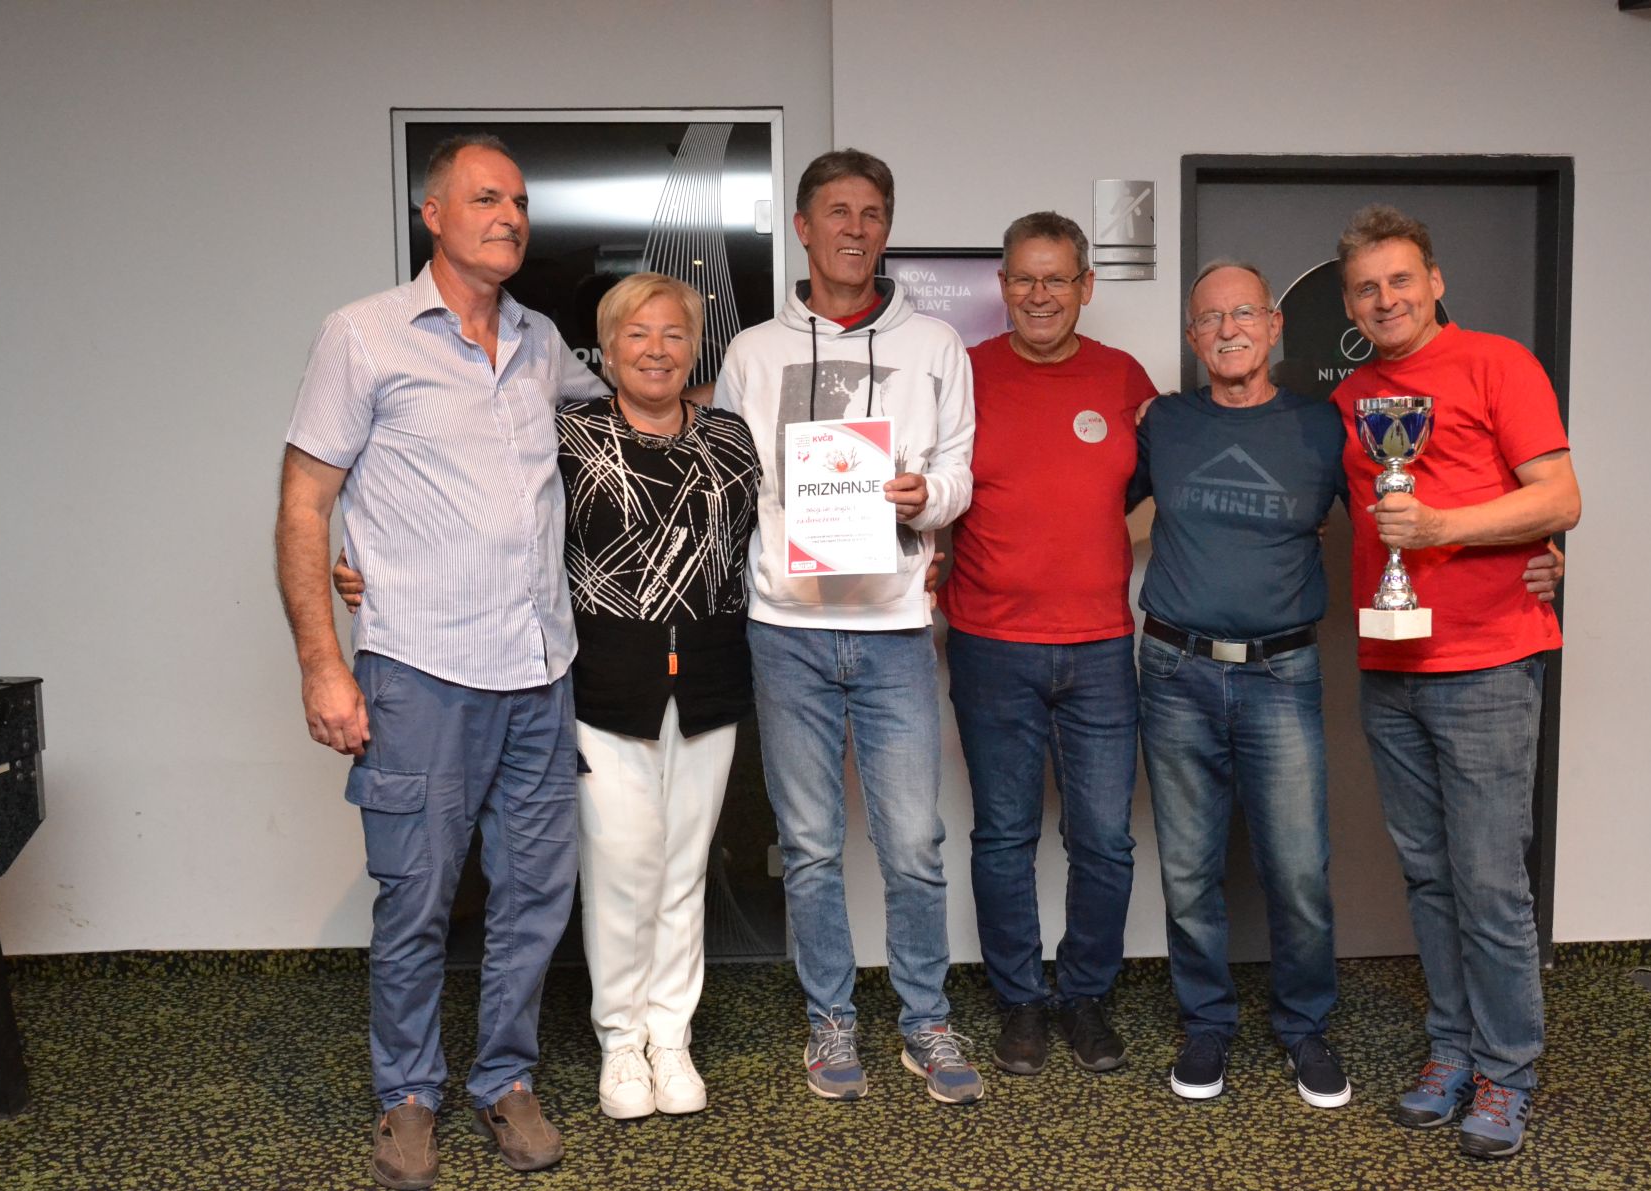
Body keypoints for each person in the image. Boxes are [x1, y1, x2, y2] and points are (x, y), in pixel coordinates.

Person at [338, 273, 760, 1120]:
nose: (656, 350)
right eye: (637, 334)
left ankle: (671, 1037)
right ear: (605, 350)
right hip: (603, 685)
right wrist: (368, 566)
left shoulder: (732, 438)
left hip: (710, 682)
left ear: (695, 349)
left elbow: (776, 540)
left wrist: (902, 549)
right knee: (622, 869)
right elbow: (472, 515)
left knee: (686, 870)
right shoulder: (568, 435)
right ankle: (621, 1043)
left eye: (674, 334)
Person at [275, 134, 603, 1190]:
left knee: (534, 899)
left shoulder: (544, 343)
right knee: (416, 897)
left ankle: (506, 1079)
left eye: (519, 201)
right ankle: (408, 1095)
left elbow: (634, 417)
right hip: (420, 671)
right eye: (485, 198)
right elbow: (304, 503)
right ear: (433, 214)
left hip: (540, 671)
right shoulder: (363, 335)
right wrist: (324, 663)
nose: (508, 216)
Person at [712, 149, 982, 1104]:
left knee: (913, 843)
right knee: (812, 843)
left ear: (886, 229)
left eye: (871, 213)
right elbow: (727, 481)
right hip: (785, 627)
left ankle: (926, 1021)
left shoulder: (936, 346)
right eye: (836, 212)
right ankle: (830, 1019)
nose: (854, 229)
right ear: (802, 227)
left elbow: (960, 473)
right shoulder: (753, 352)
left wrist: (925, 499)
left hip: (896, 626)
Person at [1329, 204, 1581, 1158]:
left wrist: (1446, 529)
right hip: (1390, 665)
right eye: (1366, 287)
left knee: (1489, 882)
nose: (1385, 298)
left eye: (1401, 279)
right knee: (1430, 878)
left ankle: (1507, 1072)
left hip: (1487, 666)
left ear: (1434, 282)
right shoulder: (1356, 395)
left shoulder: (1497, 364)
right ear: (1349, 303)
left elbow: (1561, 498)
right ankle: (1451, 1051)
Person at [1127, 262, 1351, 1108]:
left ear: (1274, 325)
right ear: (1192, 337)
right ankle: (1206, 1024)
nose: (1228, 330)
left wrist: (1524, 558)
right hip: (1174, 671)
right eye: (1210, 318)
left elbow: (1399, 514)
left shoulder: (1323, 427)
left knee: (1297, 870)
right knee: (1188, 871)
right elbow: (1079, 504)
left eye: (1244, 313)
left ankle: (1305, 1028)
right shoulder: (1165, 423)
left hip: (1281, 674)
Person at [938, 212, 1155, 1076]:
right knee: (1004, 837)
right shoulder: (965, 372)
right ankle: (1021, 1002)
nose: (1039, 295)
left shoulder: (1122, 376)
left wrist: (1094, 543)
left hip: (1100, 648)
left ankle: (1086, 997)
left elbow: (1159, 485)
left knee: (1104, 840)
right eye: (1023, 278)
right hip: (990, 644)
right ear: (1002, 286)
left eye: (1056, 278)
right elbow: (934, 484)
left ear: (1085, 287)